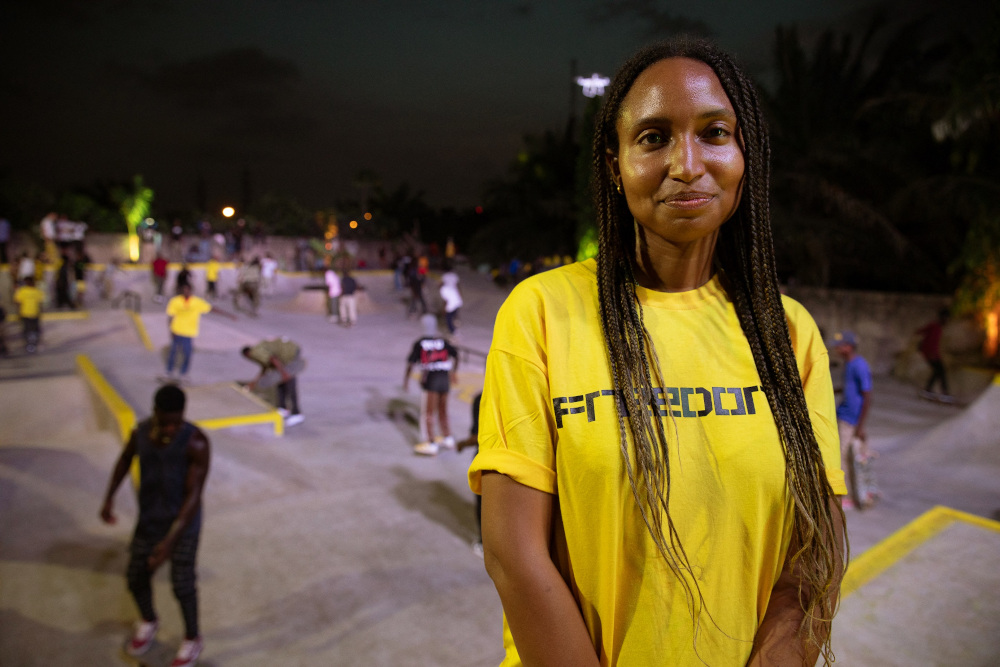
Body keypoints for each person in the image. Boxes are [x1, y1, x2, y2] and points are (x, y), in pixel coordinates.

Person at [468, 39, 847, 666]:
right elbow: (514, 555)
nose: (687, 164)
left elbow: (819, 540)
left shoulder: (788, 332)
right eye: (653, 137)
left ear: (745, 155)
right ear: (615, 166)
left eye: (715, 133)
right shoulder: (542, 311)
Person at [100, 385, 210, 667]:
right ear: (155, 413)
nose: (171, 429)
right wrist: (109, 497)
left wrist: (169, 543)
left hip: (184, 524)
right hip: (150, 519)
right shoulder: (141, 433)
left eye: (176, 423)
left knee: (182, 584)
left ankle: (192, 638)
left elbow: (193, 496)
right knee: (135, 577)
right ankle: (149, 620)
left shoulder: (196, 442)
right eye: (165, 422)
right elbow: (125, 459)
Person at [404, 313, 459, 456]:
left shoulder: (420, 343)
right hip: (444, 379)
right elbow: (456, 354)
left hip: (431, 381)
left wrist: (406, 381)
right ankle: (448, 438)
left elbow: (411, 363)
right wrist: (454, 372)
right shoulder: (442, 342)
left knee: (428, 414)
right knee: (443, 410)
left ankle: (431, 443)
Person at [833, 330, 875, 509]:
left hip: (852, 421)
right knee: (858, 456)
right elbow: (850, 389)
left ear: (849, 347)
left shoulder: (859, 365)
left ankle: (848, 496)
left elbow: (867, 395)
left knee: (846, 458)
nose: (837, 349)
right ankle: (864, 492)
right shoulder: (849, 364)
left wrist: (860, 425)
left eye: (840, 346)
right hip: (845, 415)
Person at [241, 338, 305, 426]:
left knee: (289, 383)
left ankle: (296, 414)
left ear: (247, 354)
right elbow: (265, 368)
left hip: (290, 353)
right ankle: (283, 408)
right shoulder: (258, 351)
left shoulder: (255, 353)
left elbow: (273, 358)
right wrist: (254, 382)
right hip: (283, 356)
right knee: (278, 379)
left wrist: (283, 373)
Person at [164, 283, 212, 382]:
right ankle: (169, 371)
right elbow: (171, 316)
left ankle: (183, 373)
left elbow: (210, 308)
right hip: (177, 330)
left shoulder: (197, 302)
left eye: (187, 290)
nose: (186, 292)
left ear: (191, 291)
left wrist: (228, 315)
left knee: (187, 353)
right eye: (184, 290)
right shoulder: (175, 301)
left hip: (189, 332)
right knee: (173, 352)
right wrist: (171, 330)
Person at [457, 391, 483, 557]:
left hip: (487, 461)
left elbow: (477, 436)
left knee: (484, 506)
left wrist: (462, 444)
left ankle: (484, 543)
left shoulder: (481, 398)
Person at [917, 307, 950, 396]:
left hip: (933, 354)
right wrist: (931, 353)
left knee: (938, 371)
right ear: (943, 317)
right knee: (940, 371)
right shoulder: (935, 327)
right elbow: (930, 341)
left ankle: (929, 389)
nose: (947, 321)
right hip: (930, 354)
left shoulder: (936, 327)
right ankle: (944, 392)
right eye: (946, 318)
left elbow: (921, 331)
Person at [14, 275, 44, 353]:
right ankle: (31, 344)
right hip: (31, 313)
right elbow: (40, 303)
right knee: (31, 330)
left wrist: (18, 313)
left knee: (29, 330)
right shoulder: (35, 291)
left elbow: (18, 303)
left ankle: (31, 344)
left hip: (28, 313)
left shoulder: (23, 291)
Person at [439, 264, 463, 335]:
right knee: (455, 309)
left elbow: (445, 301)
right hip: (454, 292)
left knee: (448, 316)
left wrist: (444, 309)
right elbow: (457, 285)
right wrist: (460, 294)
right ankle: (456, 319)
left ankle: (453, 331)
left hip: (450, 294)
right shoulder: (454, 275)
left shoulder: (443, 286)